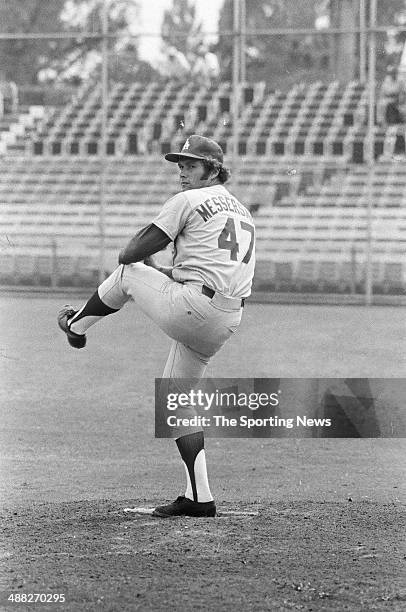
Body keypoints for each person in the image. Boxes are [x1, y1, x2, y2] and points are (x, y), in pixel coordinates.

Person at [57, 135, 256, 518]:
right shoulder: (242, 211)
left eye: (191, 165)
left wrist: (149, 258)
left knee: (129, 272)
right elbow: (212, 268)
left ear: (213, 169)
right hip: (226, 317)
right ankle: (199, 497)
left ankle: (77, 326)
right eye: (180, 165)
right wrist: (165, 270)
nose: (182, 172)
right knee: (175, 399)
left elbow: (129, 254)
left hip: (195, 307)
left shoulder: (188, 200)